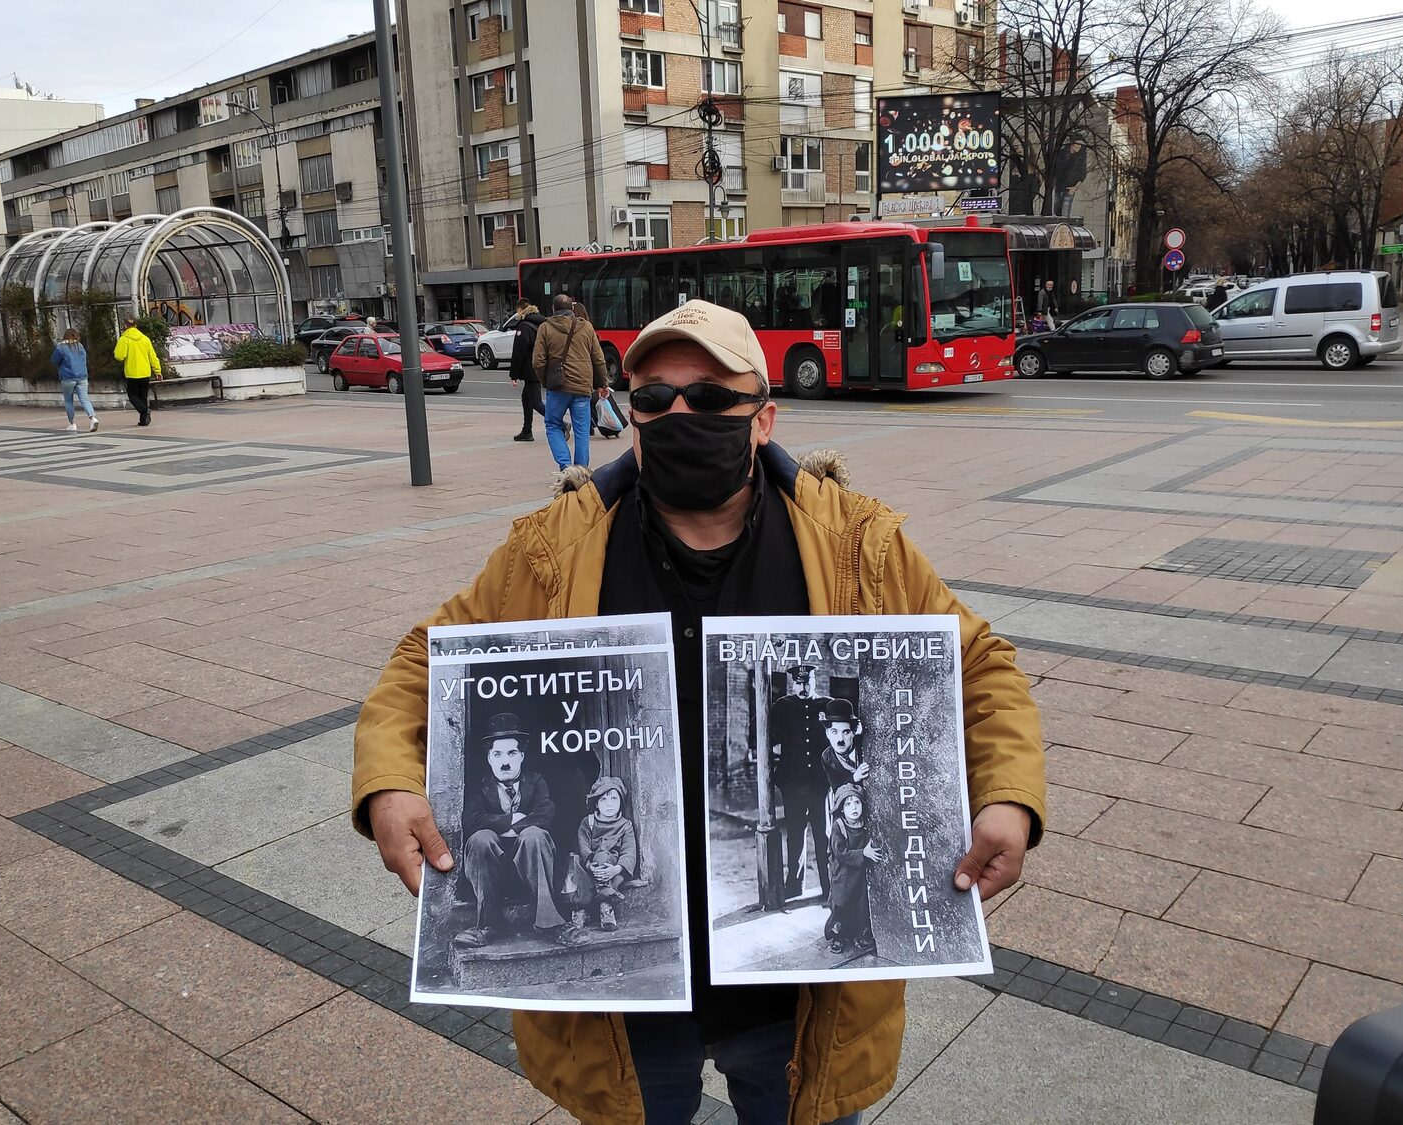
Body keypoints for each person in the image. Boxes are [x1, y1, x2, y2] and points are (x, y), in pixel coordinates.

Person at [353, 298, 1046, 1124]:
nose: (682, 415)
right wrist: (390, 783)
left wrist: (1009, 795)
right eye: (653, 399)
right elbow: (422, 660)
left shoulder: (858, 543)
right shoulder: (553, 547)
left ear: (763, 418)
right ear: (632, 417)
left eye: (713, 398)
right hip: (630, 1016)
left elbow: (979, 662)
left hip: (802, 1008)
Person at [455, 711, 576, 949]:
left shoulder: (536, 780)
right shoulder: (480, 786)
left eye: (511, 753)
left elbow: (546, 814)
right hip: (492, 874)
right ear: (489, 758)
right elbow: (471, 820)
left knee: (534, 834)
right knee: (480, 839)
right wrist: (510, 821)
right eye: (497, 754)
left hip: (533, 871)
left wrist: (519, 828)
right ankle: (487, 924)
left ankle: (549, 922)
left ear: (522, 755)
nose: (505, 761)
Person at [769, 663, 833, 902]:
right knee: (794, 834)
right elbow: (763, 726)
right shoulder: (783, 706)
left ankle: (828, 887)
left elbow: (846, 725)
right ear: (793, 683)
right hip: (793, 783)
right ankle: (794, 886)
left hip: (819, 783)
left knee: (823, 835)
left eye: (807, 683)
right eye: (799, 683)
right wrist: (774, 744)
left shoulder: (827, 704)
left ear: (815, 682)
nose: (803, 688)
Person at [532, 293, 608, 474]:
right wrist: (602, 382)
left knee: (552, 424)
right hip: (582, 386)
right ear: (572, 309)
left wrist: (546, 380)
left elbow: (537, 361)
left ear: (553, 309)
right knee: (582, 431)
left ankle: (566, 468)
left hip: (557, 386)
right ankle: (581, 471)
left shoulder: (545, 328)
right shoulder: (586, 327)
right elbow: (598, 358)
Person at [564, 774, 637, 932]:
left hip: (612, 872)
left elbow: (629, 852)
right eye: (603, 800)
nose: (609, 804)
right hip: (590, 870)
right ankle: (584, 910)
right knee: (578, 871)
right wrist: (591, 866)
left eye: (614, 799)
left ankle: (606, 907)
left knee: (605, 855)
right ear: (596, 804)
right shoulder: (588, 822)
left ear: (621, 802)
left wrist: (615, 870)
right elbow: (582, 846)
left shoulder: (625, 825)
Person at [824, 784, 881, 956]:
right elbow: (840, 853)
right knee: (842, 905)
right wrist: (863, 853)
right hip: (842, 874)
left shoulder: (865, 825)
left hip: (859, 873)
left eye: (857, 802)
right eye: (847, 804)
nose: (853, 807)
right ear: (841, 809)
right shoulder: (838, 826)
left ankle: (860, 935)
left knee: (860, 905)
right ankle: (838, 936)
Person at [508, 299, 547, 443]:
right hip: (541, 366)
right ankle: (526, 430)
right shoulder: (543, 323)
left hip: (530, 370)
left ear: (519, 309)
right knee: (526, 399)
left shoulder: (524, 326)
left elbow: (519, 352)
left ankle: (560, 424)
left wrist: (514, 374)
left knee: (536, 402)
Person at [113, 317, 161, 426]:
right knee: (142, 396)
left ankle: (144, 410)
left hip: (132, 372)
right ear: (135, 325)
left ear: (125, 326)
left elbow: (119, 356)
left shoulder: (124, 339)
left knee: (132, 395)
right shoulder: (145, 339)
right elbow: (153, 356)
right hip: (145, 372)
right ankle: (143, 420)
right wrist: (157, 371)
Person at [51, 328, 98, 433]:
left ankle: (72, 424)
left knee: (68, 401)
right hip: (82, 377)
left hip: (68, 378)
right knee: (85, 399)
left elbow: (54, 360)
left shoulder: (61, 347)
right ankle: (93, 418)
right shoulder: (80, 346)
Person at [819, 698, 868, 793]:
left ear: (854, 732)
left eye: (846, 732)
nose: (840, 739)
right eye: (834, 732)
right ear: (827, 733)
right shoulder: (827, 757)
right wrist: (854, 778)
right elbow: (837, 788)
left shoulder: (865, 747)